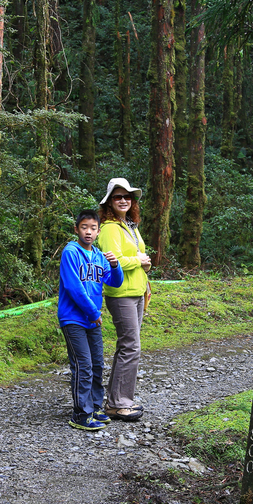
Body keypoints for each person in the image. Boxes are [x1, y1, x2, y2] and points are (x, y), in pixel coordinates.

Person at [58, 208, 123, 431]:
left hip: (92, 321)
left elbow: (115, 282)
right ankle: (80, 413)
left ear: (98, 231)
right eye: (84, 227)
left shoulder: (98, 256)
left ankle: (95, 407)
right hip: (74, 318)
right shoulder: (71, 252)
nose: (88, 232)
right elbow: (74, 287)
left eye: (93, 228)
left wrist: (115, 266)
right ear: (76, 229)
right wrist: (94, 313)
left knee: (96, 364)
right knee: (83, 365)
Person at [96, 178, 152, 421]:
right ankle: (118, 403)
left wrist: (145, 263)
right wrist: (138, 261)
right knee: (131, 347)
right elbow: (111, 261)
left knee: (128, 346)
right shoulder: (108, 227)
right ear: (110, 201)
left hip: (137, 291)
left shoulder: (130, 225)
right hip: (121, 294)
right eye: (118, 197)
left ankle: (116, 399)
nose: (123, 200)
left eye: (127, 197)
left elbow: (137, 255)